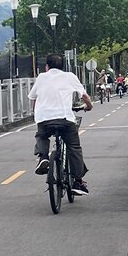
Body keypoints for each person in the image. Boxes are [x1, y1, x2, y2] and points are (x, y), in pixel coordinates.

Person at [30, 54, 93, 193]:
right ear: (62, 66)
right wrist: (88, 106)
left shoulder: (41, 77)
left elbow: (33, 97)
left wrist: (38, 113)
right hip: (65, 118)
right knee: (74, 147)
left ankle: (44, 157)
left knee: (41, 135)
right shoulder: (70, 76)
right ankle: (77, 182)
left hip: (44, 118)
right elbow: (84, 96)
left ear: (47, 66)